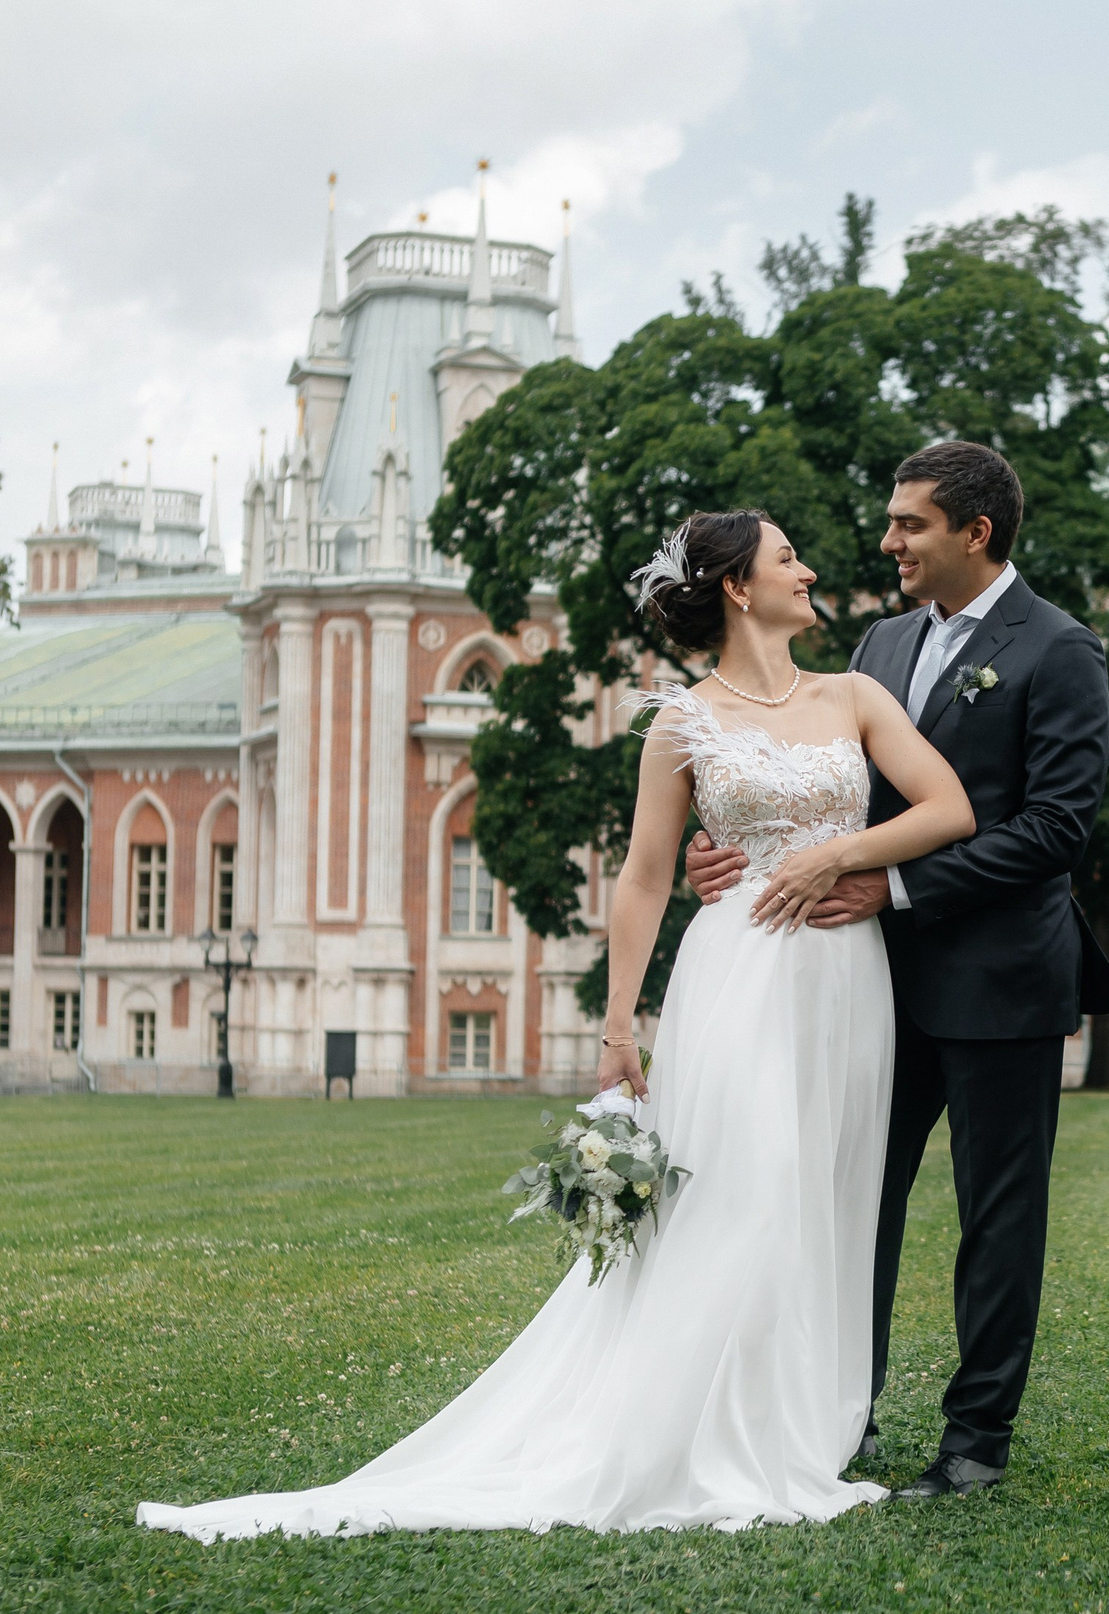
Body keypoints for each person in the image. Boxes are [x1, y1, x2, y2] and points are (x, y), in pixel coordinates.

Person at [137, 509, 975, 1539]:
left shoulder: (853, 694)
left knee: (825, 1194)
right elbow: (642, 876)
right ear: (737, 589)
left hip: (848, 978)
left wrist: (837, 857)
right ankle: (708, 1429)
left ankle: (803, 1420)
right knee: (747, 1193)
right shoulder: (682, 722)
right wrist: (619, 1027)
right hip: (739, 976)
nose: (809, 570)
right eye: (786, 557)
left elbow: (948, 808)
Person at [687, 441, 1109, 1500]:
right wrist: (728, 850)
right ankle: (839, 1411)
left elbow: (1055, 828)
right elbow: (842, 793)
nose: (886, 541)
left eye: (908, 524)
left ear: (974, 533)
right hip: (863, 983)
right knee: (849, 1201)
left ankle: (976, 1438)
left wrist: (893, 888)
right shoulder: (879, 644)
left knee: (997, 1213)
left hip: (1000, 977)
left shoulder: (1061, 648)